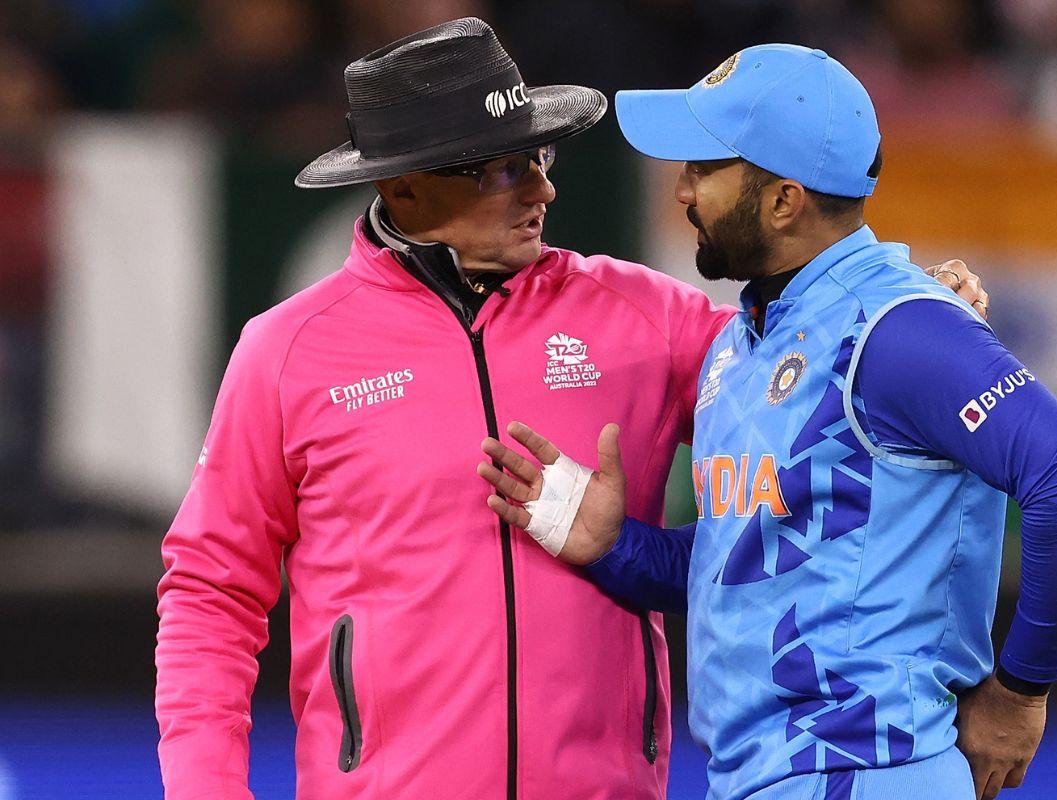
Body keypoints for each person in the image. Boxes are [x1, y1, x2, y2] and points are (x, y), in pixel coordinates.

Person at [154, 20, 988, 800]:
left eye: (541, 155)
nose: (544, 189)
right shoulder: (288, 352)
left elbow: (826, 396)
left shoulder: (649, 320)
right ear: (405, 187)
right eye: (506, 168)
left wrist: (902, 317)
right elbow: (208, 592)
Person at [477, 45, 1057, 800]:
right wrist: (614, 546)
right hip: (774, 778)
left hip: (867, 771)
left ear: (784, 200)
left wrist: (1021, 694)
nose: (683, 190)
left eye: (704, 169)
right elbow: (767, 559)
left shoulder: (902, 328)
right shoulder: (745, 337)